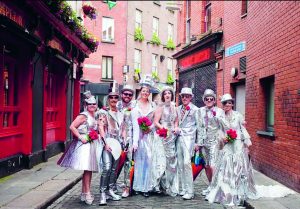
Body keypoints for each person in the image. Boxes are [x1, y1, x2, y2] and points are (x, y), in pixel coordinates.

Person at [206, 93, 256, 206]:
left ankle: (239, 190)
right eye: (225, 103)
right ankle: (226, 190)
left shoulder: (238, 115)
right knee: (225, 165)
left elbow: (242, 128)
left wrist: (246, 143)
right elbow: (218, 130)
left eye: (229, 102)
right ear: (222, 105)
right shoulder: (220, 117)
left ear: (232, 104)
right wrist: (222, 137)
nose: (227, 105)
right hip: (227, 143)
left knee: (238, 165)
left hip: (237, 143)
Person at [57, 91, 100, 205]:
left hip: (91, 144)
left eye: (94, 104)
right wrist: (81, 137)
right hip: (85, 144)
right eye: (90, 104)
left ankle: (83, 192)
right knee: (87, 169)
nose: (92, 106)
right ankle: (87, 193)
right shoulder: (83, 115)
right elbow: (72, 126)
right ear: (86, 105)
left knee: (89, 169)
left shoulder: (94, 115)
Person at [197, 89, 227, 196]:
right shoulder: (200, 111)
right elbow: (199, 127)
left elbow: (224, 126)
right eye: (207, 99)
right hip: (204, 142)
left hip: (214, 141)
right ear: (204, 100)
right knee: (207, 165)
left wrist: (217, 118)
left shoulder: (219, 111)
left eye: (211, 99)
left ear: (214, 100)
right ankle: (210, 186)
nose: (209, 100)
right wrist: (198, 143)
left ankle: (215, 188)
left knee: (213, 165)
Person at [98, 83, 124, 205]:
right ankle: (102, 193)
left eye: (116, 98)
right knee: (107, 168)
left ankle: (111, 190)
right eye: (111, 98)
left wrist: (124, 141)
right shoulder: (104, 113)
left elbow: (123, 129)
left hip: (118, 144)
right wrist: (104, 143)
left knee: (114, 169)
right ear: (108, 100)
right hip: (107, 143)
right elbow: (101, 128)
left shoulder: (121, 113)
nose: (113, 100)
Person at [176, 87, 204, 200]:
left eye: (187, 96)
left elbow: (200, 127)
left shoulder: (196, 110)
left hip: (189, 140)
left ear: (191, 97)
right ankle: (184, 188)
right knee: (181, 164)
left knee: (187, 164)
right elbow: (176, 122)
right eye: (183, 96)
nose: (185, 98)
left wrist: (198, 143)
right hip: (179, 139)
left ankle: (190, 191)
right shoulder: (177, 109)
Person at [131, 75, 157, 197]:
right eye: (143, 91)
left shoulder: (153, 106)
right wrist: (135, 142)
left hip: (150, 137)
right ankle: (137, 186)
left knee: (149, 161)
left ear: (149, 93)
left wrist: (149, 128)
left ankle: (147, 187)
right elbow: (134, 126)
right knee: (139, 161)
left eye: (147, 91)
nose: (145, 93)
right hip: (139, 137)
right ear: (140, 92)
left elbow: (156, 122)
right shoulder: (134, 105)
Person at [153, 86, 179, 196]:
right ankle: (158, 184)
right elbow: (156, 122)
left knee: (171, 160)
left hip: (172, 137)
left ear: (172, 95)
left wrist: (176, 128)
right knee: (161, 160)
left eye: (169, 93)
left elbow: (176, 121)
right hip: (162, 135)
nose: (167, 95)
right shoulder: (160, 107)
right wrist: (164, 129)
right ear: (163, 96)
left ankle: (169, 184)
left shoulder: (175, 107)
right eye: (165, 93)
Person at [116, 84, 137, 198]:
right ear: (121, 94)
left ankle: (127, 188)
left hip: (129, 138)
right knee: (115, 163)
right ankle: (111, 186)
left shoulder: (134, 106)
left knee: (128, 164)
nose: (127, 96)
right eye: (125, 94)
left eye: (130, 94)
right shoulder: (116, 104)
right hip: (116, 139)